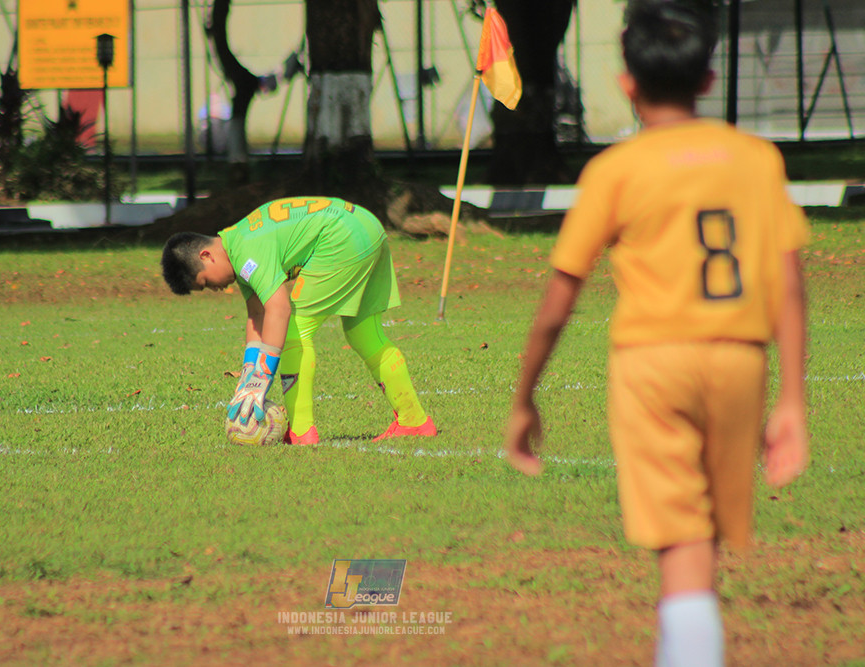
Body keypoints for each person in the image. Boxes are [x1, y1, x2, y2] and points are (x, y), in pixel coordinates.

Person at [503, 2, 809, 666]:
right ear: (706, 81)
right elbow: (788, 284)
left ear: (627, 84)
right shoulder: (756, 159)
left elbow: (560, 300)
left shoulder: (616, 171)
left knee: (683, 548)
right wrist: (792, 402)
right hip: (739, 360)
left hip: (652, 365)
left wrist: (526, 396)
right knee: (704, 544)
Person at [161, 196, 437, 445]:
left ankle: (301, 432)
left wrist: (263, 376)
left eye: (206, 283)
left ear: (206, 256)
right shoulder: (238, 245)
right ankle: (414, 420)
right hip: (367, 226)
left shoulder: (246, 252)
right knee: (363, 332)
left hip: (342, 237)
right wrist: (249, 378)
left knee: (292, 333)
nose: (215, 289)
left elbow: (278, 308)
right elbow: (257, 316)